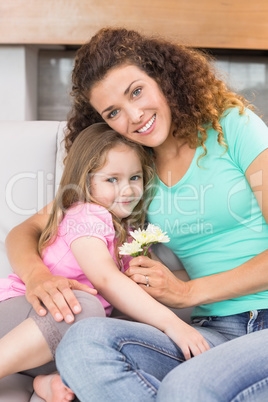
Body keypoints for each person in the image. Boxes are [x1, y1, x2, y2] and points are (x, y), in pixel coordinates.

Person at [5, 26, 268, 400]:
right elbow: (25, 230)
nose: (134, 116)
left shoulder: (232, 127)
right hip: (215, 331)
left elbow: (192, 286)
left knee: (187, 386)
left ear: (162, 77)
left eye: (137, 91)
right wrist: (37, 276)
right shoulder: (130, 171)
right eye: (114, 112)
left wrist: (188, 290)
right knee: (82, 341)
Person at [1, 122, 209, 401]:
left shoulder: (128, 229)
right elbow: (105, 279)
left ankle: (46, 379)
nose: (127, 190)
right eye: (112, 179)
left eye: (135, 177)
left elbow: (139, 287)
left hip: (51, 335)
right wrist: (173, 324)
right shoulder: (87, 214)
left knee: (105, 330)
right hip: (23, 312)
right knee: (86, 308)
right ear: (86, 182)